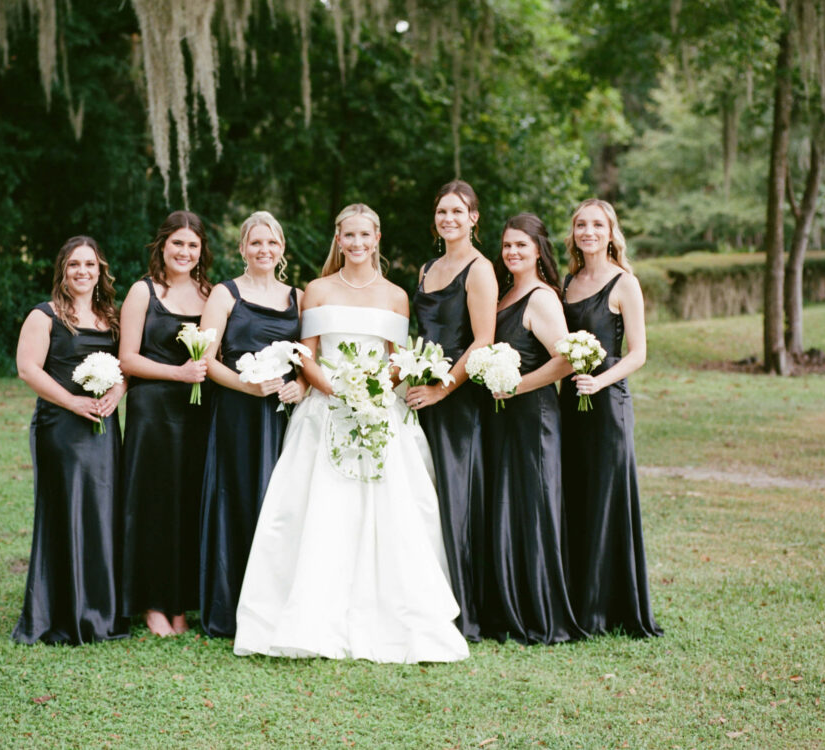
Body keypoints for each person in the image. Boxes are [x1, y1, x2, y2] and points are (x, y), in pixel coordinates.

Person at [233, 203, 469, 663]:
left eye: (365, 235)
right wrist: (339, 391)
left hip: (381, 410)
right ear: (338, 240)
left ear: (376, 238)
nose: (357, 244)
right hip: (325, 410)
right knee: (316, 510)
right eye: (349, 236)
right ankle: (308, 615)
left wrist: (375, 391)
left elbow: (398, 357)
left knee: (394, 512)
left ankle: (393, 616)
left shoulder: (397, 295)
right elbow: (307, 355)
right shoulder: (317, 291)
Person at [12, 235, 129, 645]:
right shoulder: (44, 316)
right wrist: (73, 403)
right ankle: (59, 612)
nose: (83, 271)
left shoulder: (111, 317)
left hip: (103, 427)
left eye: (90, 265)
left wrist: (118, 391)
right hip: (60, 427)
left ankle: (100, 611)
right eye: (74, 265)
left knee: (101, 511)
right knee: (65, 510)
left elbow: (125, 364)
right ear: (63, 270)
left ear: (101, 271)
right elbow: (28, 369)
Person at [198, 211, 305, 638]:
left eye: (272, 243)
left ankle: (279, 606)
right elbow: (205, 360)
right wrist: (248, 386)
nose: (264, 250)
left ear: (282, 249)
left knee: (283, 503)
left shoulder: (300, 296)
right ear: (242, 248)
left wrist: (301, 386)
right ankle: (231, 606)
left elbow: (313, 356)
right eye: (255, 243)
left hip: (286, 417)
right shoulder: (225, 294)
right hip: (238, 414)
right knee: (238, 497)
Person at [559, 199, 663, 638]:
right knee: (576, 494)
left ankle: (606, 607)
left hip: (609, 404)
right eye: (581, 224)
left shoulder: (625, 284)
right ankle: (577, 599)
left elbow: (638, 352)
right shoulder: (567, 282)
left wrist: (600, 382)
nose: (588, 231)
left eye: (596, 224)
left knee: (606, 497)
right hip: (570, 403)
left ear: (610, 231)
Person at [481, 213, 586, 645]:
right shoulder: (507, 294)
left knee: (535, 508)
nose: (512, 253)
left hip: (534, 416)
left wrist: (516, 385)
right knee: (510, 506)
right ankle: (509, 605)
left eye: (521, 245)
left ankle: (542, 612)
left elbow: (566, 359)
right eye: (507, 245)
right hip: (504, 418)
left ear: (539, 249)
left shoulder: (542, 297)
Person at [408, 180, 498, 642]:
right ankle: (429, 598)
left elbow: (482, 339)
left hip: (458, 397)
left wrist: (443, 390)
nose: (448, 219)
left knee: (457, 498)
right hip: (420, 393)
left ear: (473, 218)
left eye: (457, 212)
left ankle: (466, 609)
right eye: (442, 212)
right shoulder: (427, 267)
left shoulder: (480, 270)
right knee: (426, 498)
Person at [118, 211, 214, 637]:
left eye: (193, 246)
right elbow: (127, 359)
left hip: (199, 412)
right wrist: (177, 374)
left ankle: (181, 602)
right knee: (154, 502)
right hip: (153, 412)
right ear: (162, 245)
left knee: (189, 501)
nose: (185, 252)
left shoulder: (210, 293)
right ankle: (151, 602)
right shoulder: (144, 292)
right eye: (178, 243)